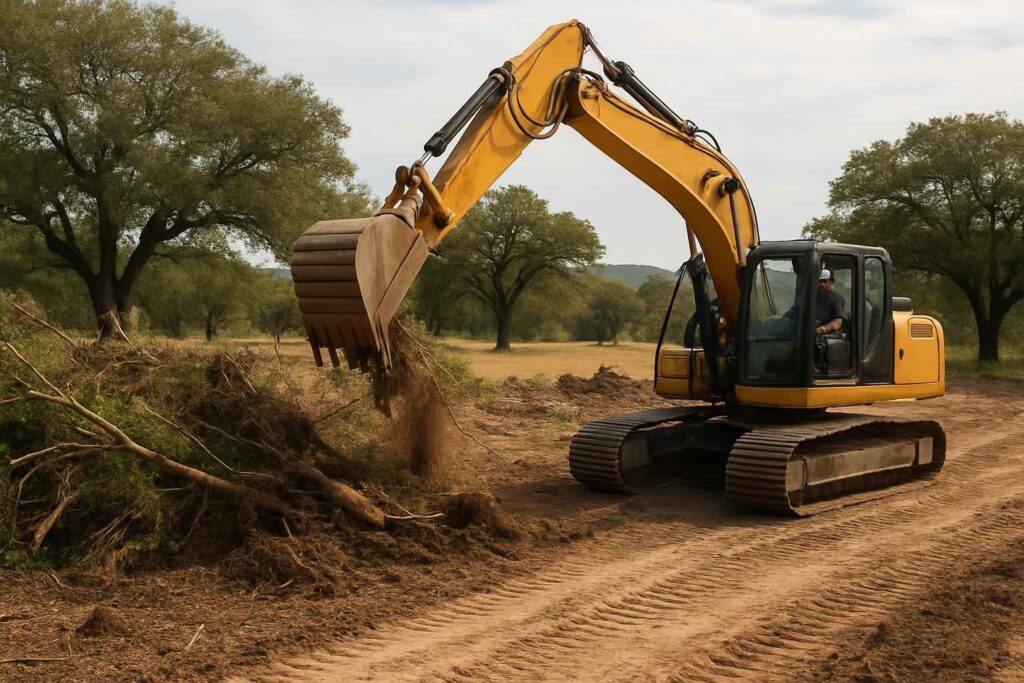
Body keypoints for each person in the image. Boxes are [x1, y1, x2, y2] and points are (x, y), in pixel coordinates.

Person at [815, 269, 845, 336]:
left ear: (831, 282)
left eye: (825, 281)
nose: (822, 284)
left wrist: (823, 328)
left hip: (827, 337)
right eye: (820, 281)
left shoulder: (836, 299)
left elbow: (837, 323)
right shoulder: (812, 298)